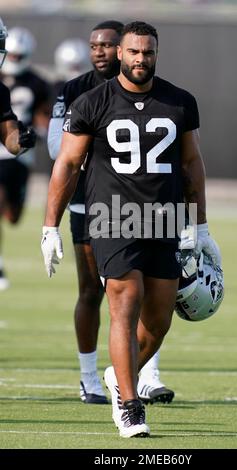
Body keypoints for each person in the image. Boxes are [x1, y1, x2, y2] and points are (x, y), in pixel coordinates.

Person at [41, 21, 221, 437]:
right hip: (113, 216)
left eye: (149, 53)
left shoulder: (179, 101)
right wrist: (50, 225)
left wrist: (202, 225)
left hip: (165, 218)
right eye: (135, 52)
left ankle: (120, 374)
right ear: (121, 53)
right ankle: (130, 405)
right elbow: (66, 164)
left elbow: (192, 163)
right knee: (126, 301)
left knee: (158, 320)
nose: (142, 59)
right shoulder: (92, 102)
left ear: (157, 54)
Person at [47, 20, 174, 406]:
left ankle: (143, 375)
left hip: (152, 212)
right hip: (92, 207)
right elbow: (59, 152)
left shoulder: (160, 94)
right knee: (99, 294)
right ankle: (90, 379)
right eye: (94, 45)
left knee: (150, 300)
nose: (99, 51)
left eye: (107, 45)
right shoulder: (77, 91)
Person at [0, 21, 38, 290]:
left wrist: (21, 140)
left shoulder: (0, 91)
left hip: (13, 162)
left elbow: (9, 136)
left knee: (13, 217)